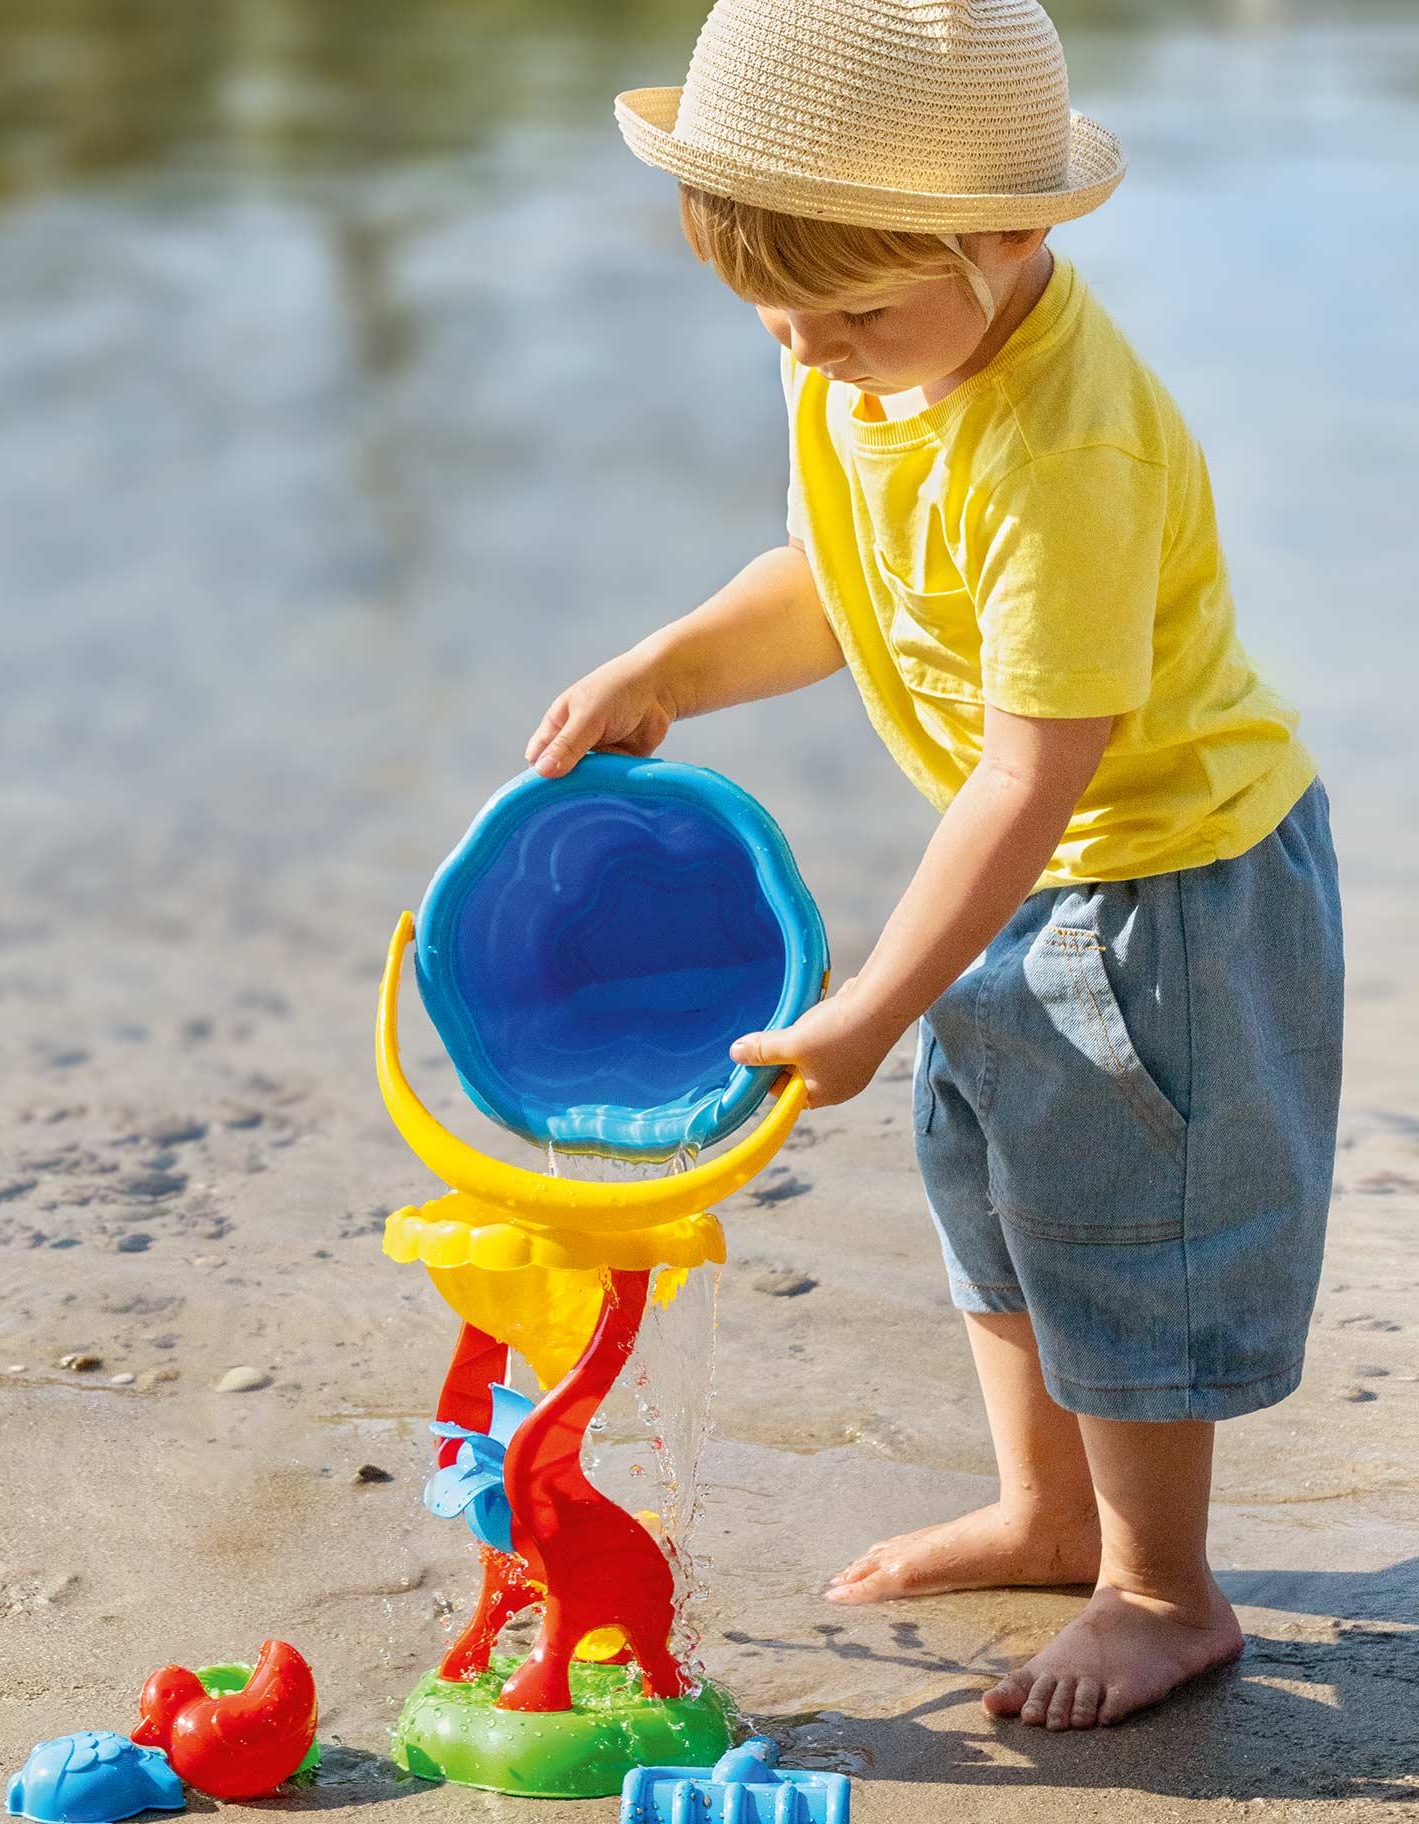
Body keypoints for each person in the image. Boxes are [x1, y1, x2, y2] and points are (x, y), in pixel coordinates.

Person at [526, 0, 1343, 1733]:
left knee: (1125, 1228)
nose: (811, 351)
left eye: (851, 312)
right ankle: (1048, 1515)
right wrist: (669, 667)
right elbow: (829, 576)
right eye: (774, 311)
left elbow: (1043, 770)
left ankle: (1160, 1590)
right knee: (998, 1196)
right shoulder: (873, 355)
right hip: (1021, 863)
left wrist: (877, 999)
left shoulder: (1065, 449)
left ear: (1012, 237)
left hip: (1158, 884)